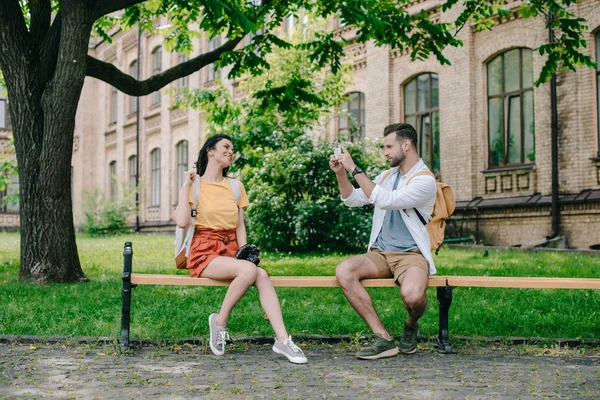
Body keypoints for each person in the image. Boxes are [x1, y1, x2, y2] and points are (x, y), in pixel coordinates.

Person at [174, 134, 307, 364]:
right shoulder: (194, 184)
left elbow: (240, 224)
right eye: (225, 147)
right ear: (210, 151)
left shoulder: (235, 186)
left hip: (230, 249)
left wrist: (245, 252)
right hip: (204, 250)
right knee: (248, 271)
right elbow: (182, 222)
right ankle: (219, 322)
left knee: (261, 274)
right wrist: (186, 184)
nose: (230, 152)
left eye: (232, 149)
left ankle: (283, 340)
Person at [329, 123, 437, 360]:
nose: (385, 152)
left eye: (389, 146)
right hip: (380, 253)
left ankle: (411, 325)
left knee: (413, 297)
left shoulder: (425, 180)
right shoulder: (387, 176)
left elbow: (386, 200)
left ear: (406, 145)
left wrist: (354, 168)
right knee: (344, 270)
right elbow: (352, 199)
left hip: (411, 255)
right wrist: (341, 173)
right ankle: (383, 338)